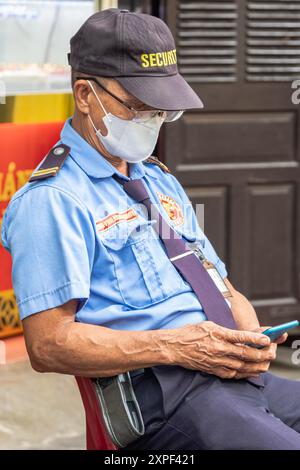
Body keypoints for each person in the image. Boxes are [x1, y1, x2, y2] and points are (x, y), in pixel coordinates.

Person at [2, 9, 300, 450]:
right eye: (139, 106)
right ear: (85, 95)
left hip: (232, 377)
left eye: (162, 108)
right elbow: (48, 345)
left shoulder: (158, 180)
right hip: (164, 400)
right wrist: (179, 347)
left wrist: (248, 338)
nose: (153, 119)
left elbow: (218, 281)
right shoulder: (53, 201)